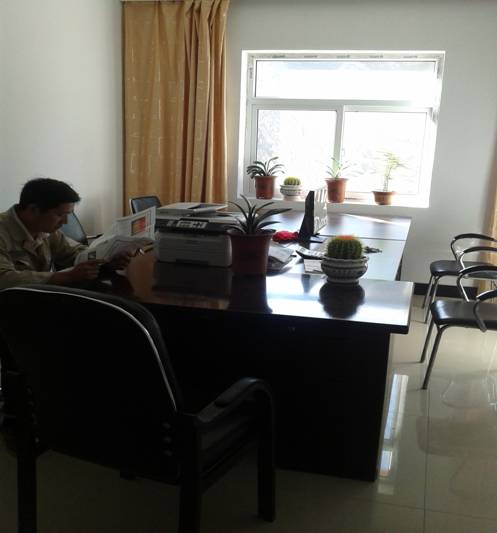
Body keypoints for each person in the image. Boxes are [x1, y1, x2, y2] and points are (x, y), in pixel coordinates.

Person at [0, 177, 132, 289]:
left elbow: (73, 253)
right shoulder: (3, 231)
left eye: (68, 214)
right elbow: (4, 278)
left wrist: (107, 260)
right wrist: (65, 277)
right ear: (34, 210)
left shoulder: (45, 229)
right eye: (59, 215)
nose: (65, 222)